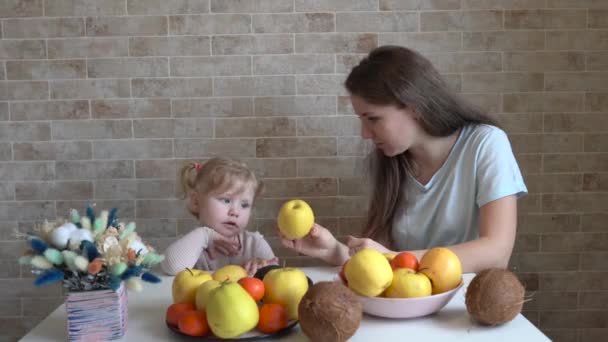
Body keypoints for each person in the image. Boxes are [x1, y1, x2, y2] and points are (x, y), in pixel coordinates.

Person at [280, 46, 527, 273]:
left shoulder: (486, 143)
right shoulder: (392, 163)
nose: (365, 134)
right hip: (408, 306)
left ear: (414, 107)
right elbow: (382, 267)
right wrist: (334, 250)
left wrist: (397, 259)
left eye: (373, 119)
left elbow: (497, 253)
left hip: (468, 308)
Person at [161, 157, 277, 276]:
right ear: (196, 201)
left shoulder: (254, 244)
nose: (235, 212)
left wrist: (263, 267)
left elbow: (280, 280)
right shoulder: (193, 244)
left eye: (244, 205)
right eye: (226, 200)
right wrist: (205, 235)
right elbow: (171, 267)